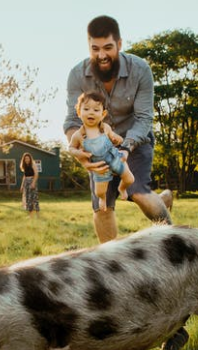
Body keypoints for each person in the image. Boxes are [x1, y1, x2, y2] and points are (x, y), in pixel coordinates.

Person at [64, 15, 172, 244]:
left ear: (119, 45)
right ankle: (110, 265)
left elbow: (144, 119)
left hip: (135, 139)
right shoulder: (76, 75)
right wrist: (81, 156)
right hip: (96, 146)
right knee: (102, 206)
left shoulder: (140, 69)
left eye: (108, 48)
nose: (101, 55)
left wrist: (124, 149)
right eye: (95, 48)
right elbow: (72, 121)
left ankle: (173, 239)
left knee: (138, 193)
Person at [69, 91, 134, 211]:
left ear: (103, 114)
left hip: (114, 157)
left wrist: (118, 140)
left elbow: (116, 138)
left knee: (130, 179)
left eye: (96, 110)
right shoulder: (78, 135)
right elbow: (71, 148)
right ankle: (102, 198)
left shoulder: (105, 128)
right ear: (79, 112)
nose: (91, 113)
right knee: (99, 191)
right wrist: (78, 153)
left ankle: (122, 188)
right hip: (100, 166)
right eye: (86, 109)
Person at [19, 152, 40, 218]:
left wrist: (33, 183)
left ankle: (38, 215)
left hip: (32, 181)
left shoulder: (33, 164)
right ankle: (30, 215)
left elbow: (36, 174)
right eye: (25, 159)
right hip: (26, 183)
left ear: (30, 158)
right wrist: (22, 185)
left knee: (34, 198)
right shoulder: (25, 166)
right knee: (28, 199)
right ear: (24, 159)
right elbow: (24, 176)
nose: (27, 160)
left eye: (28, 158)